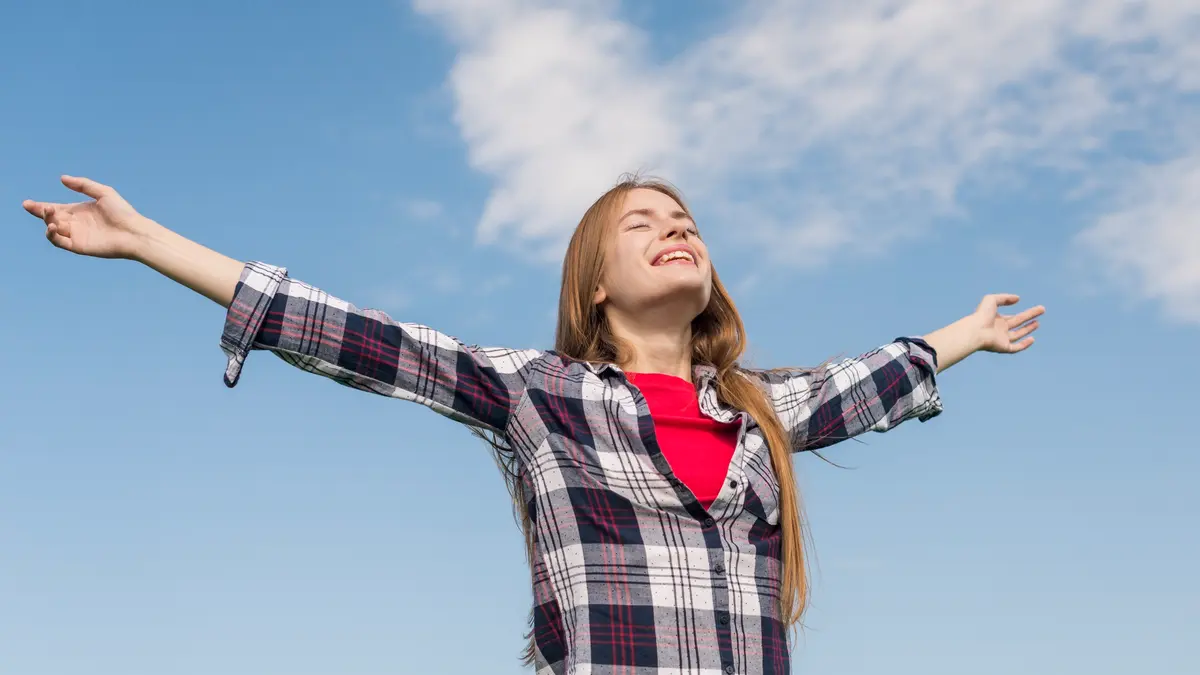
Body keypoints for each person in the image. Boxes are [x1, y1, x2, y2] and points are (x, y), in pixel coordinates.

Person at [22, 174, 1042, 675]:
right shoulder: (539, 393)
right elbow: (353, 335)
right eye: (643, 223)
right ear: (595, 284)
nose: (677, 228)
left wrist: (969, 331)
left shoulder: (757, 411)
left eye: (687, 222)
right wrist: (147, 241)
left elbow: (873, 379)